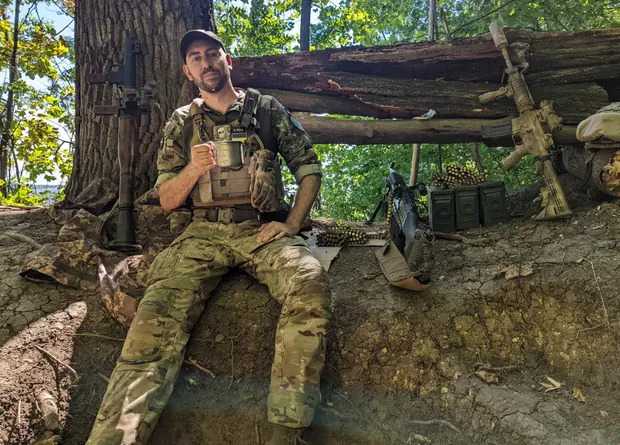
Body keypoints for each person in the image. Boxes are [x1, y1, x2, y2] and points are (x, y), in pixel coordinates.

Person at [86, 29, 331, 445]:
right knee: (156, 314)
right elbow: (167, 199)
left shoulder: (267, 109)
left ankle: (287, 429)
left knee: (309, 282)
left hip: (260, 229)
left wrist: (291, 224)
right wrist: (194, 169)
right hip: (202, 233)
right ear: (188, 71)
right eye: (196, 58)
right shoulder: (181, 122)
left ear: (227, 61)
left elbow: (309, 168)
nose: (206, 63)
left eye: (212, 54)